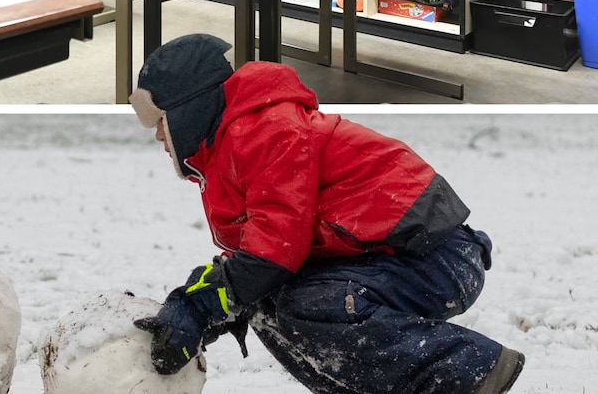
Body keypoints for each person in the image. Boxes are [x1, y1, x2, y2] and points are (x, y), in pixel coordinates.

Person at [128, 33, 525, 394]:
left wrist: (204, 304)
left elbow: (275, 249)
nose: (160, 137)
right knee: (265, 300)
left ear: (188, 111)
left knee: (309, 304)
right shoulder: (232, 149)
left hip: (438, 257)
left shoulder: (267, 131)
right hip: (389, 260)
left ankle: (469, 371)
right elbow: (260, 251)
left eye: (161, 123)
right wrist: (207, 299)